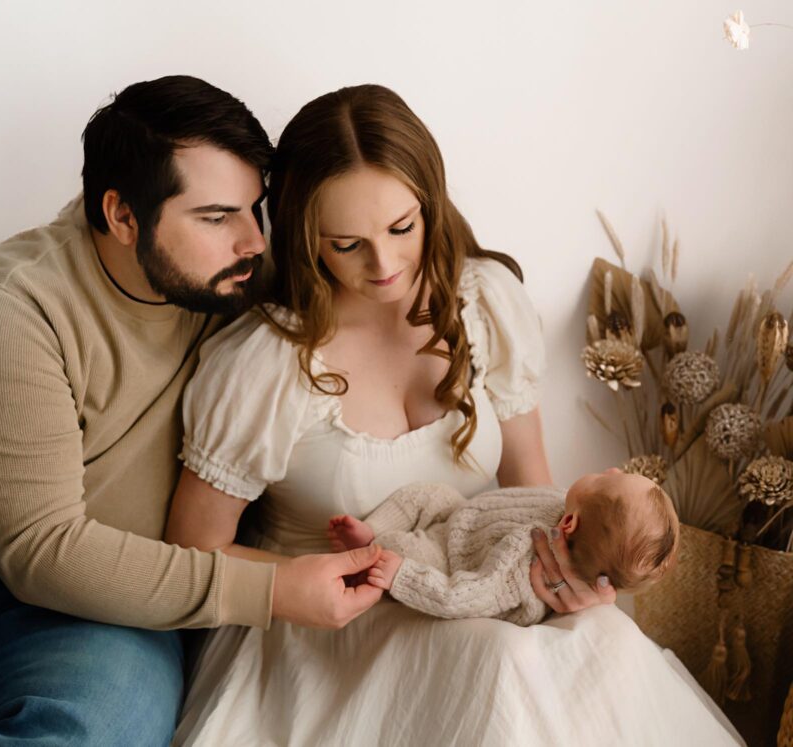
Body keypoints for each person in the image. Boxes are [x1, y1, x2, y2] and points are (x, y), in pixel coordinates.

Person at [0, 76, 385, 747]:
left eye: (252, 210)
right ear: (122, 216)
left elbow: (396, 273)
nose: (252, 242)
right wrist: (269, 590)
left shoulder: (242, 288)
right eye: (215, 217)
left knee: (106, 724)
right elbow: (40, 549)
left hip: (90, 619)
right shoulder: (7, 306)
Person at [166, 84, 741, 745]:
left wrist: (574, 575)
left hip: (480, 585)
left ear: (430, 207)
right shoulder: (263, 365)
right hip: (332, 625)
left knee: (602, 637)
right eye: (346, 243)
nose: (384, 264)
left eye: (401, 228)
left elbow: (534, 487)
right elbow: (191, 547)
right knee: (499, 663)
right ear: (303, 236)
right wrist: (314, 580)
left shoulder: (484, 304)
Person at [327, 468, 680, 625]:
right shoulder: (572, 511)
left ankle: (368, 553)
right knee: (426, 493)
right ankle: (371, 528)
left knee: (401, 550)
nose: (613, 469)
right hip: (462, 517)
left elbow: (464, 597)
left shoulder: (522, 562)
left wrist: (403, 576)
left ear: (569, 525)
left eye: (608, 479)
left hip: (450, 562)